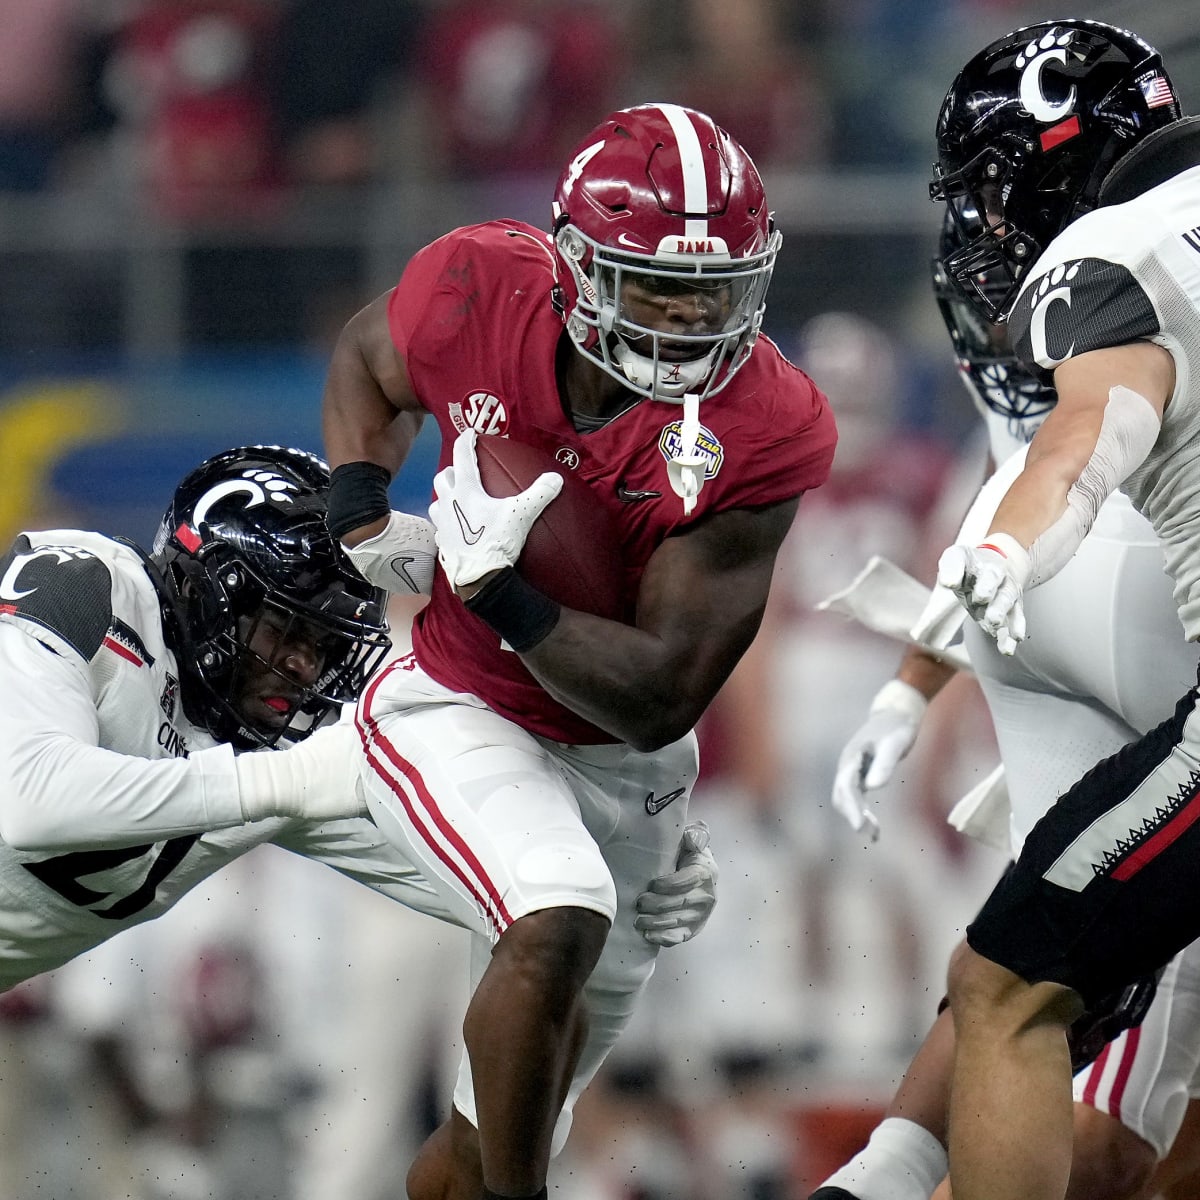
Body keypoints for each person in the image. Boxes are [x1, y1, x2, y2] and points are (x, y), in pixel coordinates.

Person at [321, 102, 837, 1200]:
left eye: (717, 289)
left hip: (628, 763)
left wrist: (501, 587)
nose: (693, 320)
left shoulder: (766, 423)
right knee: (557, 914)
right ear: (573, 265)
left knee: (490, 1135)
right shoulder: (477, 286)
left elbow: (658, 696)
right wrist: (362, 511)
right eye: (659, 285)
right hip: (463, 704)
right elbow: (370, 357)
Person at [0, 444, 718, 1141]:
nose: (302, 668)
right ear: (210, 585)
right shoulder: (83, 581)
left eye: (325, 646)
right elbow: (31, 802)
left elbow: (496, 881)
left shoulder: (273, 747)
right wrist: (284, 782)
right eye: (285, 627)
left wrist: (627, 860)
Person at [808, 207, 1200, 1200]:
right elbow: (1022, 485)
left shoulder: (1127, 275)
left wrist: (1001, 556)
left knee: (1031, 1002)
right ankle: (885, 1175)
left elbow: (1074, 449)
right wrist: (912, 684)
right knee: (1035, 997)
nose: (998, 321)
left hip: (1145, 668)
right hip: (1106, 662)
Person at [917, 19, 1200, 1200]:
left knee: (1006, 989)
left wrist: (1009, 540)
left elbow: (1090, 433)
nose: (986, 230)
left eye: (993, 196)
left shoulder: (1112, 254)